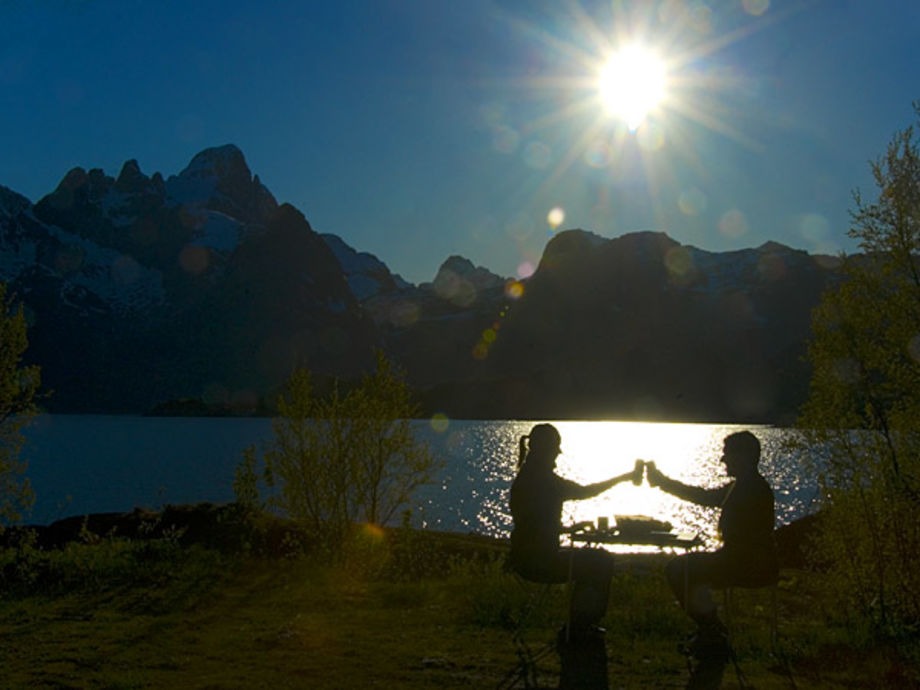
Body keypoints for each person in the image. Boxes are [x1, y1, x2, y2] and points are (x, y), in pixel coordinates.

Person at [643, 430, 778, 656]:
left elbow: (709, 501)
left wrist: (662, 483)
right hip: (746, 561)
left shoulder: (750, 489)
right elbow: (705, 497)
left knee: (678, 570)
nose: (722, 460)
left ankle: (712, 631)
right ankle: (711, 630)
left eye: (727, 454)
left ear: (743, 457)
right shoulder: (744, 486)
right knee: (686, 568)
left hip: (747, 566)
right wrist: (663, 482)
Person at [509, 423, 643, 637]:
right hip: (540, 563)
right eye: (555, 449)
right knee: (600, 561)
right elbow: (584, 492)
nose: (558, 455)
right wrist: (624, 478)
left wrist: (568, 529)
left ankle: (578, 625)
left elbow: (533, 525)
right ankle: (579, 627)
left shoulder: (527, 478)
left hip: (524, 559)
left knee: (593, 560)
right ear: (547, 450)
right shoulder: (544, 481)